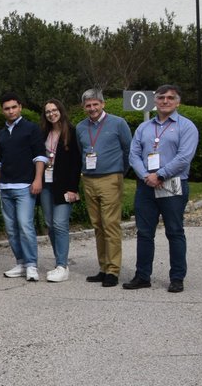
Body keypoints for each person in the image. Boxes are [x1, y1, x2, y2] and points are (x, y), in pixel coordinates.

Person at [125, 84, 199, 293]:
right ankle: (142, 276)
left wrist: (160, 174)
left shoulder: (187, 127)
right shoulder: (144, 127)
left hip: (172, 185)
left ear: (178, 102)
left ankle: (177, 278)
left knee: (174, 231)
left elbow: (184, 157)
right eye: (161, 98)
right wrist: (146, 176)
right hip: (146, 186)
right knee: (144, 232)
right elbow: (133, 155)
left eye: (170, 98)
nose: (165, 101)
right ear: (155, 101)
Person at [75, 89, 133, 288]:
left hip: (110, 178)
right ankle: (103, 267)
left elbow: (129, 150)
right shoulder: (81, 127)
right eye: (88, 105)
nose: (92, 108)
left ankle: (113, 270)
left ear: (103, 104)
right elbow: (79, 151)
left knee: (110, 225)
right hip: (89, 179)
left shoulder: (118, 123)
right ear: (84, 107)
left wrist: (120, 172)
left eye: (95, 104)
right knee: (98, 225)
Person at [0, 92, 47, 282]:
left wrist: (38, 179)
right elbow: (1, 161)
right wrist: (0, 183)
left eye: (13, 107)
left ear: (20, 107)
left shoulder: (31, 129)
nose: (10, 111)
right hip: (5, 187)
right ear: (3, 111)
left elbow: (40, 156)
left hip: (25, 186)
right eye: (7, 108)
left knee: (25, 226)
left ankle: (32, 265)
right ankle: (21, 263)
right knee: (11, 229)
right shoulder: (2, 133)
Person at [39, 99, 81, 282]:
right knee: (50, 223)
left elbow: (76, 162)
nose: (51, 114)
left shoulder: (71, 132)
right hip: (46, 185)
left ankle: (62, 266)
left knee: (60, 224)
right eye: (48, 111)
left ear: (61, 111)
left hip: (64, 186)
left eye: (54, 110)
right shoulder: (43, 134)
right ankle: (59, 261)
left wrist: (73, 188)